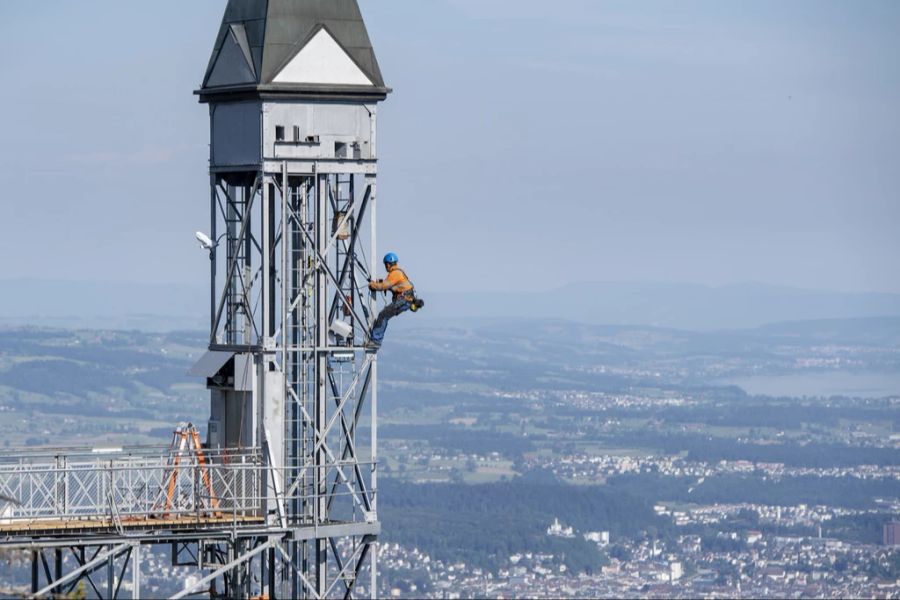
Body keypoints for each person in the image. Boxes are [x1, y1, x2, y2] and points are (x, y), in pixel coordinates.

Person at [367, 252, 415, 351]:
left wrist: (373, 285)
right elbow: (391, 285)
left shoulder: (395, 273)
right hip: (406, 300)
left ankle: (375, 341)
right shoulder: (397, 273)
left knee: (383, 315)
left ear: (388, 264)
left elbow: (384, 286)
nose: (385, 267)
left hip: (403, 299)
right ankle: (376, 339)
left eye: (385, 264)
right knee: (385, 315)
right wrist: (378, 284)